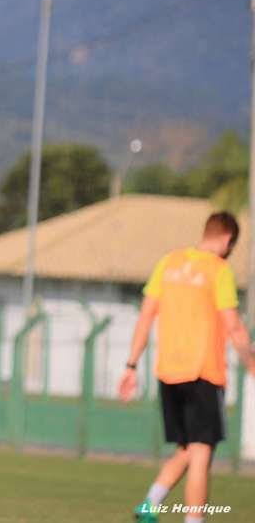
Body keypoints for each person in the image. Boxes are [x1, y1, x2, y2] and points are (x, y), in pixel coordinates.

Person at [119, 211, 255, 523]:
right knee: (202, 452)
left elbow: (145, 316)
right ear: (225, 240)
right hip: (202, 372)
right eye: (232, 246)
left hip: (168, 372)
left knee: (187, 449)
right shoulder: (218, 270)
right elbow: (234, 327)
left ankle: (149, 507)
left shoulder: (168, 263)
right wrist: (252, 365)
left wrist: (131, 365)